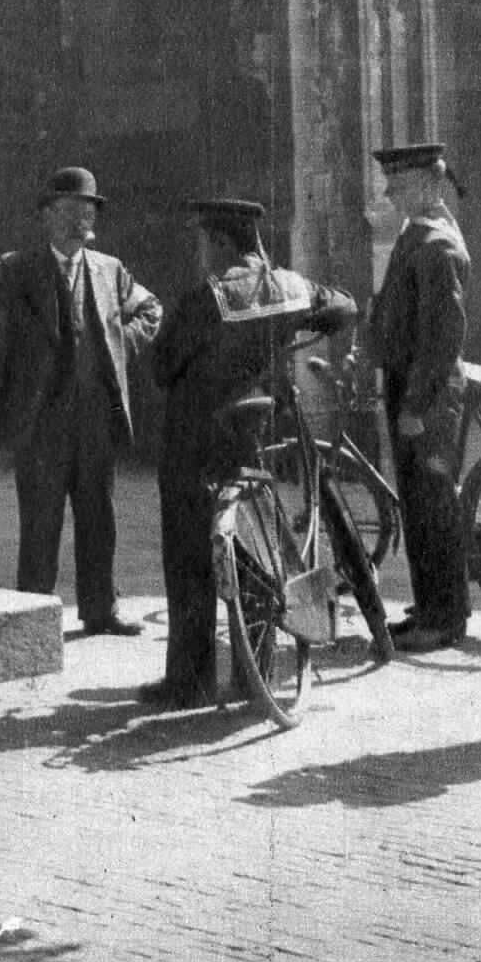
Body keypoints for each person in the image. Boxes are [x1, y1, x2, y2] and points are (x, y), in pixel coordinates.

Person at [0, 167, 162, 634]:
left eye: (86, 211)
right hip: (41, 424)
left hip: (94, 422)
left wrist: (118, 346)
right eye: (67, 211)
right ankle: (31, 622)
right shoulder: (22, 268)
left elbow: (151, 309)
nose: (78, 221)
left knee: (98, 519)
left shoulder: (110, 270)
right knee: (41, 524)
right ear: (45, 217)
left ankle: (101, 612)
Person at [144, 199, 356, 709]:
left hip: (195, 443)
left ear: (219, 242)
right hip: (253, 434)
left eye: (203, 243)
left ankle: (190, 683)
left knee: (189, 557)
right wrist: (293, 339)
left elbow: (161, 367)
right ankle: (253, 671)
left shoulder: (206, 298)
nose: (200, 254)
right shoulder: (289, 285)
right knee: (256, 555)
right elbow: (345, 307)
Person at [368, 143, 472, 651]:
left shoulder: (436, 243)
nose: (389, 192)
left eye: (399, 184)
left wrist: (415, 405)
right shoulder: (417, 234)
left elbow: (442, 337)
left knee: (434, 506)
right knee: (417, 503)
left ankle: (447, 617)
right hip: (407, 384)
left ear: (430, 183)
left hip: (425, 393)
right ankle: (430, 605)